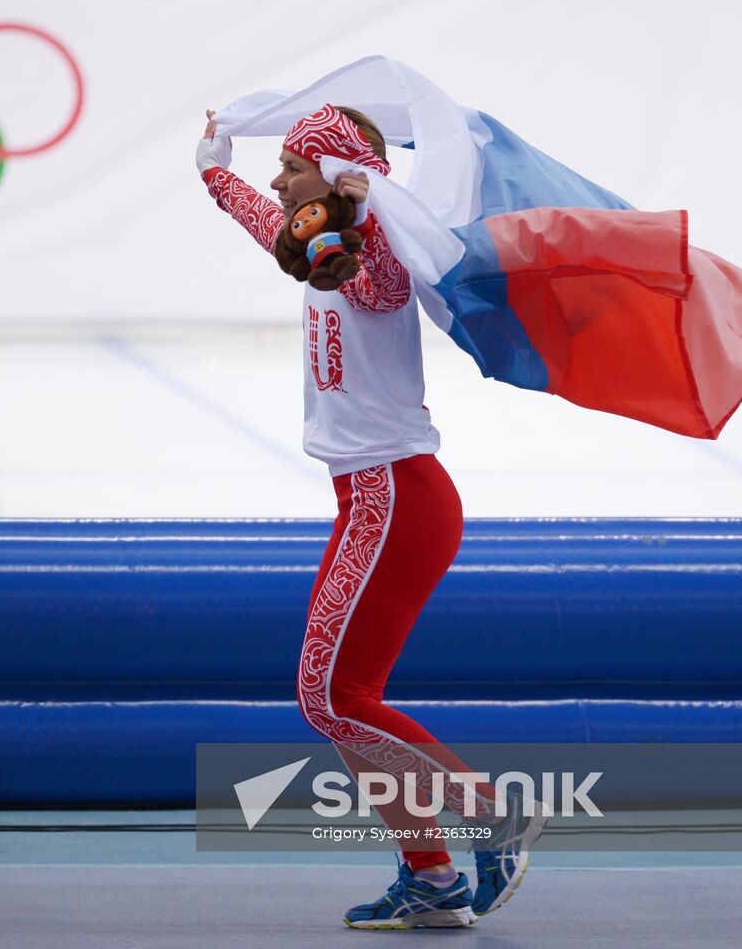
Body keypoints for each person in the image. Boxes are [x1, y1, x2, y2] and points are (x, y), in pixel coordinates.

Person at [196, 103, 546, 930]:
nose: (277, 181)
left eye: (291, 165)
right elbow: (265, 221)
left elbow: (379, 280)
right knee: (345, 694)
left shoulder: (375, 256)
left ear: (335, 177)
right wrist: (215, 171)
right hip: (374, 499)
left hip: (394, 497)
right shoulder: (314, 248)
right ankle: (430, 876)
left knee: (327, 696)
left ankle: (490, 814)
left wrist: (372, 202)